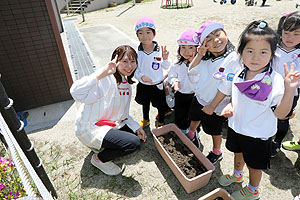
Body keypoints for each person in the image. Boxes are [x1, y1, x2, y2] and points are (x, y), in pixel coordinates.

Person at [218, 20, 300, 200]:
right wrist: (231, 105)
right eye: (250, 51)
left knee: (254, 165)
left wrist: (290, 90)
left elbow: (280, 114)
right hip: (236, 127)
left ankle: (253, 190)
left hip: (257, 134)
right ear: (241, 53)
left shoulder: (275, 80)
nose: (256, 58)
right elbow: (236, 93)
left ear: (272, 54)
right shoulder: (240, 71)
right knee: (237, 152)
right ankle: (237, 174)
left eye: (263, 52)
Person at [70, 45, 147, 176]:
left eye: (133, 61)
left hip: (108, 124)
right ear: (115, 61)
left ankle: (100, 145)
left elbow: (123, 114)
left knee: (134, 136)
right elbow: (76, 92)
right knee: (132, 143)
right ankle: (99, 159)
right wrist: (101, 73)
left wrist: (136, 127)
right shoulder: (105, 79)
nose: (129, 66)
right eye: (125, 61)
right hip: (91, 127)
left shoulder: (126, 84)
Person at [187, 21, 241, 164]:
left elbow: (226, 86)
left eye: (217, 34)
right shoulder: (206, 58)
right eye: (209, 39)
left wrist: (212, 106)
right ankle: (191, 133)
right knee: (194, 117)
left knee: (213, 130)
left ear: (226, 34)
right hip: (200, 98)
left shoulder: (233, 59)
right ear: (204, 45)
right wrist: (199, 55)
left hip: (216, 106)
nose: (216, 40)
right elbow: (191, 72)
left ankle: (217, 152)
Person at [271, 11, 300, 158]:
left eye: (296, 34)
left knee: (283, 119)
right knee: (269, 115)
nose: (290, 38)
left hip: (291, 93)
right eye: (286, 32)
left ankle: (277, 142)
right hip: (270, 90)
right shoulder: (272, 46)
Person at [134, 16, 172, 129]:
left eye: (148, 32)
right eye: (140, 33)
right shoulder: (137, 53)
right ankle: (146, 120)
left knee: (160, 105)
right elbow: (135, 70)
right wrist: (141, 77)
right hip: (144, 84)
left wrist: (165, 59)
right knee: (145, 104)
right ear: (137, 35)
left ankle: (160, 121)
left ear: (154, 34)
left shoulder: (159, 51)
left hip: (157, 85)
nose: (144, 36)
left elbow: (166, 66)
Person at [167, 29, 199, 134]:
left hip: (195, 96)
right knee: (180, 113)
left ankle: (194, 132)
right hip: (180, 94)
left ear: (197, 49)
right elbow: (171, 75)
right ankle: (181, 130)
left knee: (193, 114)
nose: (187, 51)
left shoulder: (201, 64)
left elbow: (200, 80)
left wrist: (193, 65)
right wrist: (174, 81)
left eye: (191, 47)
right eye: (183, 47)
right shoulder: (177, 63)